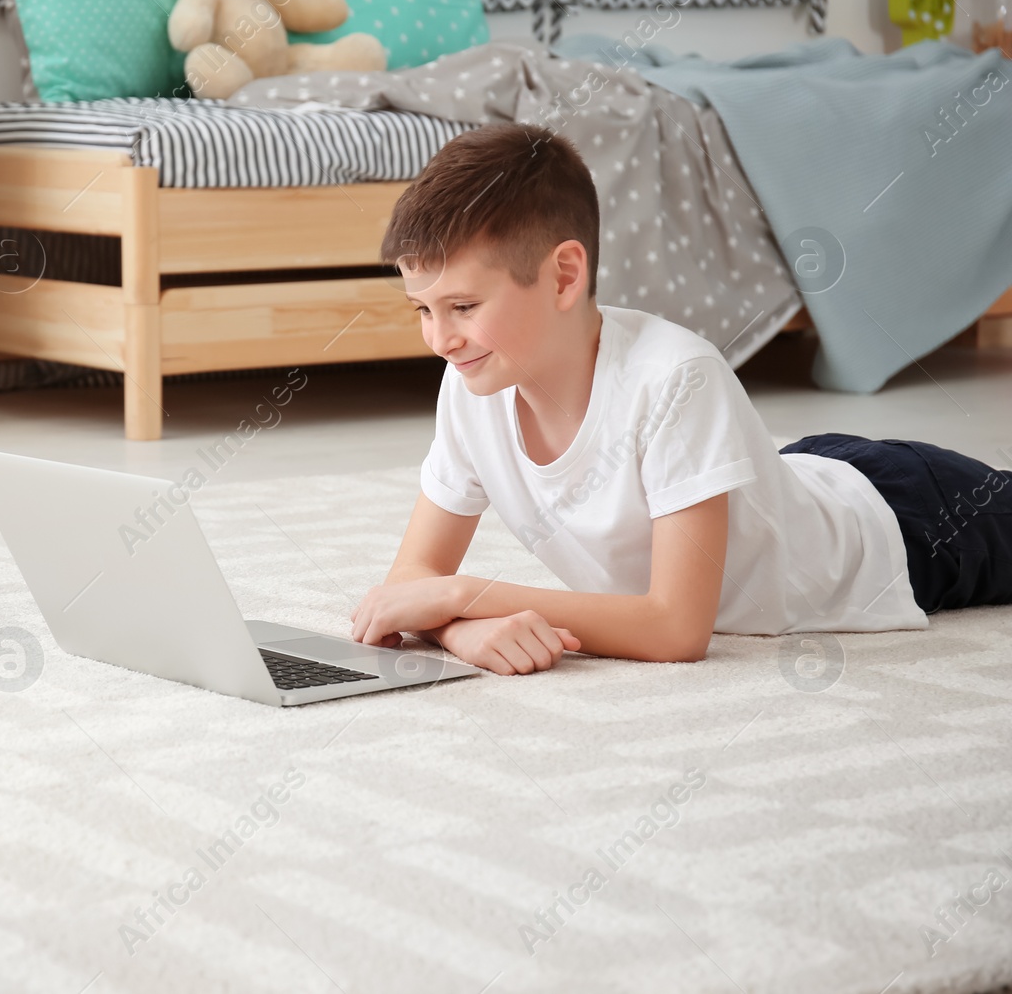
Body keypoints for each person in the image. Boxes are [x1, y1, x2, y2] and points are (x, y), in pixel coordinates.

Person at [347, 123, 1012, 675]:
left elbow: (676, 628)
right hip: (787, 475)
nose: (440, 338)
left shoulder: (676, 376)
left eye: (462, 305)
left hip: (909, 518)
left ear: (564, 274)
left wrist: (470, 595)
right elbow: (411, 583)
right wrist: (463, 631)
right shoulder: (472, 387)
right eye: (423, 310)